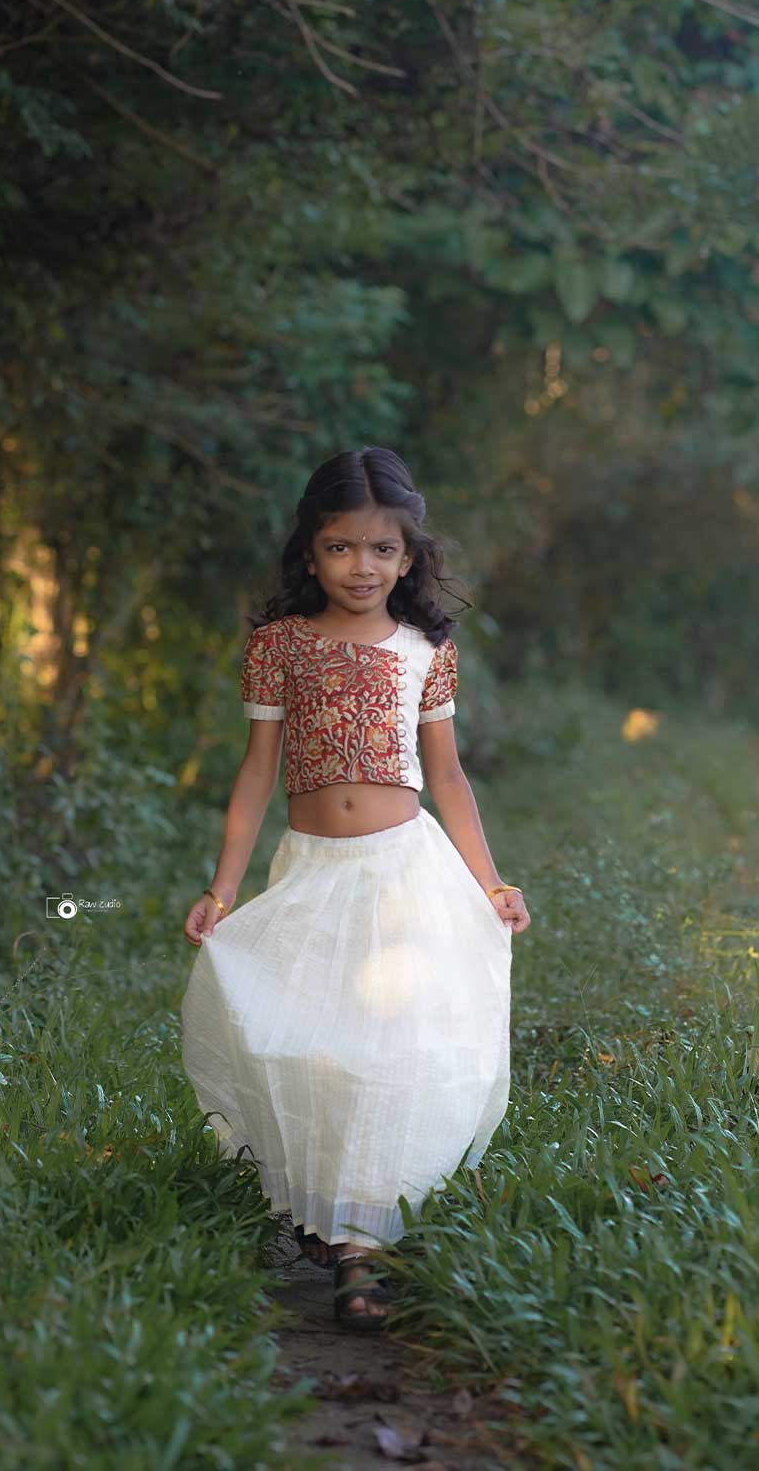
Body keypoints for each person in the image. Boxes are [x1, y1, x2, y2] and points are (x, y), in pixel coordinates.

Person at [181, 446, 530, 1332]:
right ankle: (323, 1213)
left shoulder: (425, 651)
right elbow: (257, 775)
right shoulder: (279, 647)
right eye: (341, 548)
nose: (361, 567)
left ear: (409, 559)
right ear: (310, 553)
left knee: (389, 1055)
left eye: (382, 550)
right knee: (312, 1044)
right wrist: (222, 891)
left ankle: (358, 1254)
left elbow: (447, 779)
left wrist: (490, 884)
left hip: (404, 874)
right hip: (311, 872)